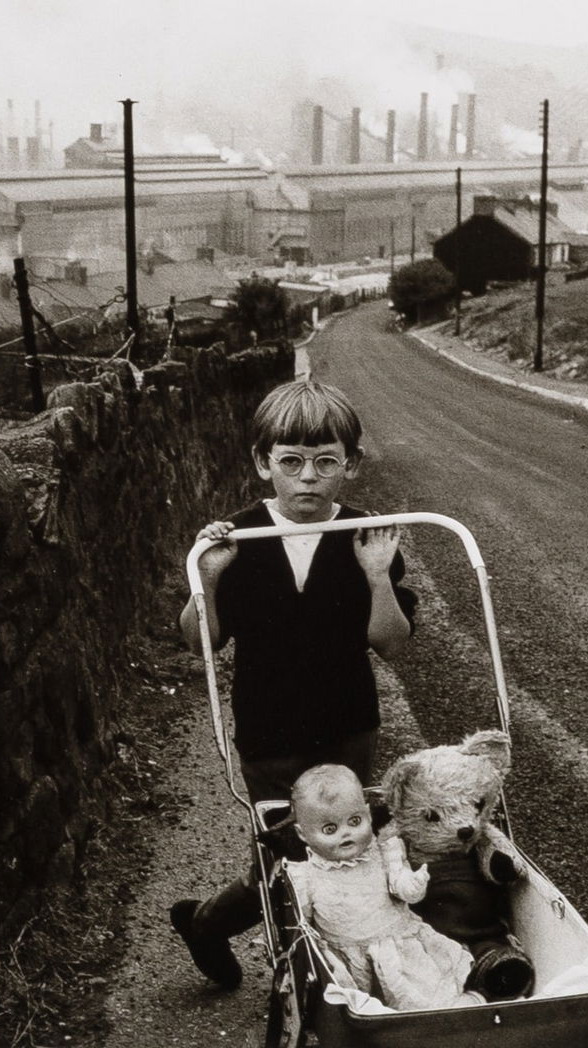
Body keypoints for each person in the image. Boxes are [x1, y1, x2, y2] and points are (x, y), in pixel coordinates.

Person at [170, 378, 417, 991]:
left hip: (348, 725)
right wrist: (211, 573)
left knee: (350, 851)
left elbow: (391, 642)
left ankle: (342, 973)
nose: (308, 478)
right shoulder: (238, 536)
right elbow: (198, 639)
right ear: (264, 464)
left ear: (350, 466)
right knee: (289, 855)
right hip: (270, 728)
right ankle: (225, 932)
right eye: (292, 462)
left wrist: (377, 577)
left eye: (325, 462)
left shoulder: (368, 536)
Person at [284, 765, 481, 1011]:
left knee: (424, 992)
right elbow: (304, 923)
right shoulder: (306, 875)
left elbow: (404, 889)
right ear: (303, 835)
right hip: (347, 955)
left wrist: (413, 883)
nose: (345, 833)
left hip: (397, 946)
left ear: (368, 814)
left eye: (354, 821)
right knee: (352, 1004)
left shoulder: (385, 851)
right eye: (329, 829)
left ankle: (458, 1008)